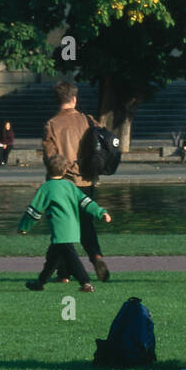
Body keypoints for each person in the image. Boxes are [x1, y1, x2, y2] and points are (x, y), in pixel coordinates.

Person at [42, 81, 110, 283]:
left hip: (63, 183)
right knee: (86, 225)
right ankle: (96, 256)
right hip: (86, 180)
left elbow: (50, 158)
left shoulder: (52, 125)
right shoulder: (88, 121)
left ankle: (63, 273)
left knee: (62, 227)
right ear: (74, 99)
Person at [19, 152, 111, 292]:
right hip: (73, 228)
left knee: (72, 259)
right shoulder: (70, 186)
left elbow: (34, 211)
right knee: (52, 258)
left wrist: (24, 226)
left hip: (60, 229)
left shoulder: (46, 188)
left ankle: (86, 283)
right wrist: (101, 212)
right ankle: (40, 283)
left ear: (47, 169)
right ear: (65, 170)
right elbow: (86, 202)